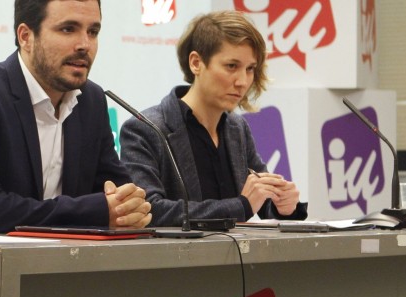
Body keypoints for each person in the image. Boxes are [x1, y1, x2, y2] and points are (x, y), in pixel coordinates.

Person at [0, 0, 152, 233]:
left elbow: (119, 194)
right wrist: (95, 212)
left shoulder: (90, 100)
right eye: (68, 29)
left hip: (56, 265)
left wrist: (129, 207)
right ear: (25, 37)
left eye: (93, 32)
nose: (85, 44)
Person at [120, 10, 307, 227]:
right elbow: (149, 210)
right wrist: (241, 206)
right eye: (231, 66)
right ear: (196, 63)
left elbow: (260, 199)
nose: (242, 81)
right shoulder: (146, 129)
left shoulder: (238, 128)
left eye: (250, 69)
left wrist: (282, 205)